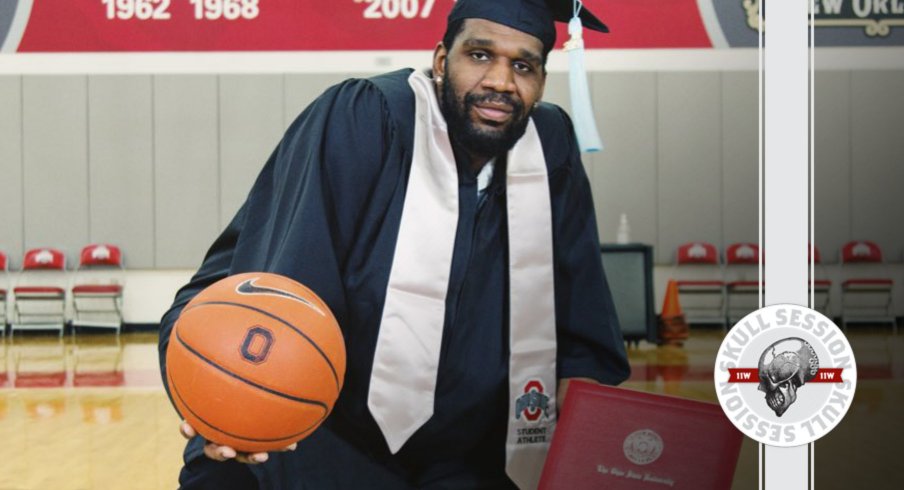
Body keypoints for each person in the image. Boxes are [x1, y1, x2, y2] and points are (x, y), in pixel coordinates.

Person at [158, 0, 630, 488]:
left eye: (524, 65)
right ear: (442, 61)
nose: (501, 83)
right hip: (322, 437)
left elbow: (579, 322)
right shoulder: (366, 118)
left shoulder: (549, 149)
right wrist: (235, 407)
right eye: (481, 55)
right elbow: (275, 295)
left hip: (474, 455)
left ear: (541, 83)